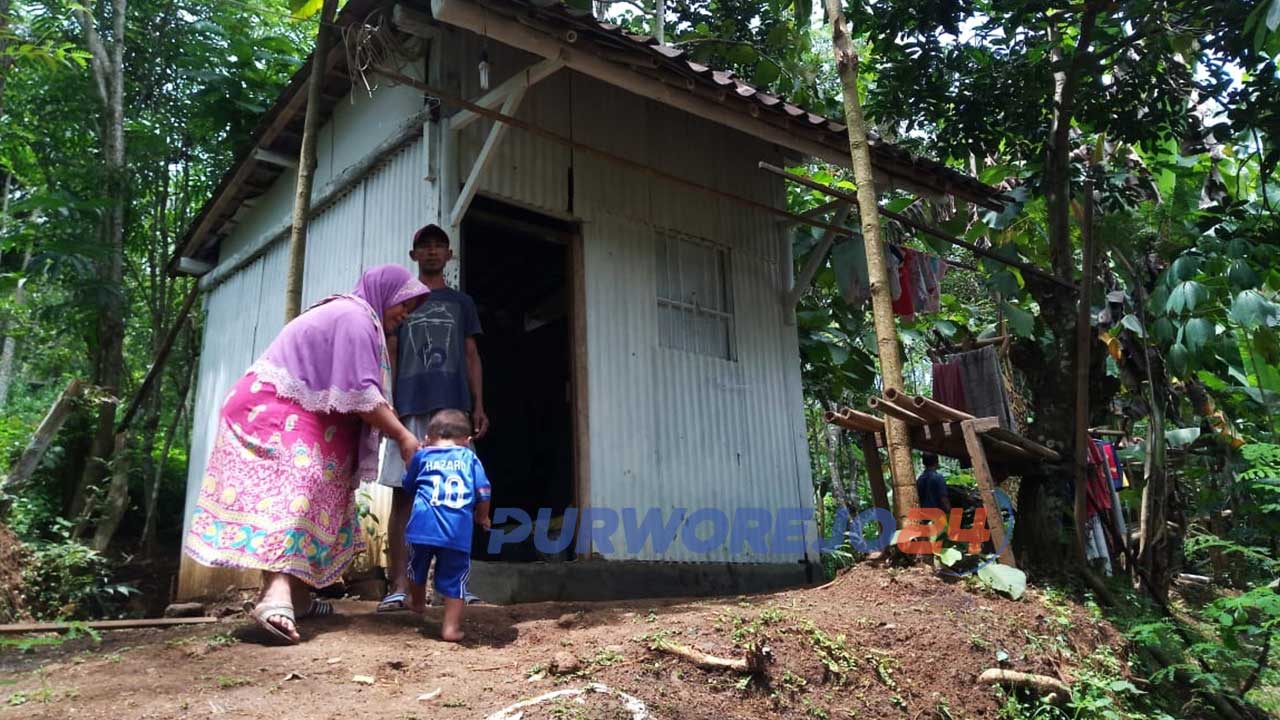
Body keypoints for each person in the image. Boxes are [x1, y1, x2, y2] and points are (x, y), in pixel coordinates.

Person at [184, 265, 430, 644]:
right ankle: (276, 597)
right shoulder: (354, 317)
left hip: (295, 411)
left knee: (316, 490)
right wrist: (403, 436)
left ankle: (297, 597)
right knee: (297, 494)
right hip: (272, 409)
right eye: (403, 304)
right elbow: (362, 394)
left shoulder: (361, 320)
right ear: (385, 292)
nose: (404, 314)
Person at [378, 224, 488, 613]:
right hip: (407, 406)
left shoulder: (462, 303)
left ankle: (451, 587)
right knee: (403, 493)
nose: (431, 252)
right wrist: (385, 407)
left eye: (438, 246)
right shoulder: (399, 301)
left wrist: (479, 405)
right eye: (423, 247)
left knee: (455, 495)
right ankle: (398, 587)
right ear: (413, 256)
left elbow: (472, 355)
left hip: (453, 410)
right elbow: (390, 353)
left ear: (449, 255)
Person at [402, 409, 491, 641]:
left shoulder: (422, 457)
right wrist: (483, 517)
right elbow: (483, 491)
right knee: (455, 578)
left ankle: (418, 601)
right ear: (467, 441)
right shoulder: (470, 458)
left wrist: (412, 460)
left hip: (422, 529)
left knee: (415, 568)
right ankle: (450, 628)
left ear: (427, 438)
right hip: (457, 532)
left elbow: (409, 486)